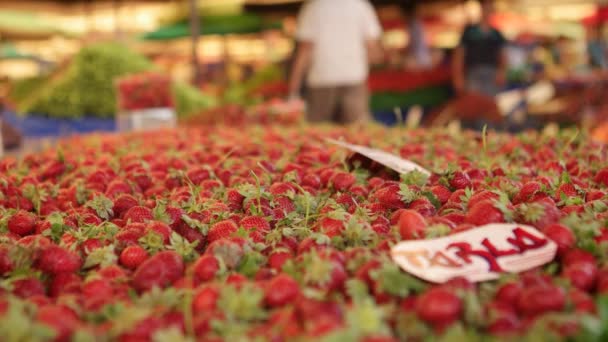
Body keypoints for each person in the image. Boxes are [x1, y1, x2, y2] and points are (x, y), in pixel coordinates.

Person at [288, 0, 383, 124]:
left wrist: (293, 90)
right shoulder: (360, 5)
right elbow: (372, 46)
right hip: (353, 78)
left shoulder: (314, 6)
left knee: (318, 133)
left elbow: (305, 49)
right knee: (357, 132)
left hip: (321, 79)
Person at [452, 0, 507, 97]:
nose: (488, 10)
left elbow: (502, 54)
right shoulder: (469, 31)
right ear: (481, 9)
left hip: (491, 73)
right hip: (474, 72)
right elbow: (460, 54)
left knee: (489, 103)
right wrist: (458, 76)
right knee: (475, 103)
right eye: (486, 7)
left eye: (490, 8)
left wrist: (501, 72)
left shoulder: (496, 33)